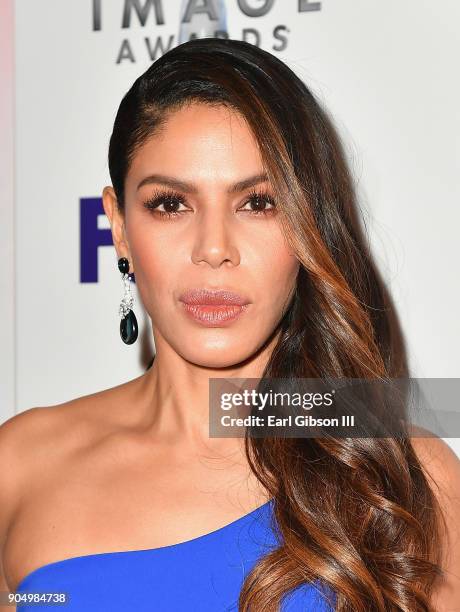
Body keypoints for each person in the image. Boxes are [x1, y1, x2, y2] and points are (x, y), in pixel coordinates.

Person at [1, 37, 459, 612]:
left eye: (258, 202)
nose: (214, 249)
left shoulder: (404, 477)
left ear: (308, 224)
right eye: (171, 203)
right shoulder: (18, 467)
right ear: (117, 225)